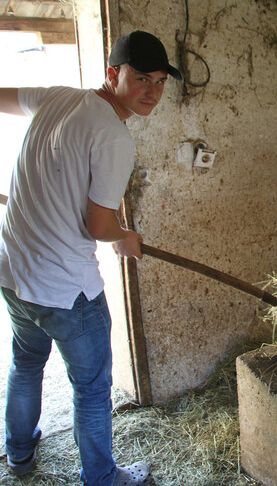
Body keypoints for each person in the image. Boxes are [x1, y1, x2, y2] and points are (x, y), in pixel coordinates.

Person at [0, 30, 182, 485]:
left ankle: (18, 455)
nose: (152, 92)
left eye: (160, 81)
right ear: (112, 74)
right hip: (65, 287)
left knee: (26, 364)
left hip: (12, 269)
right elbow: (97, 227)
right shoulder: (115, 139)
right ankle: (101, 478)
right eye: (141, 78)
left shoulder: (58, 98)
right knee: (93, 389)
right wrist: (125, 236)